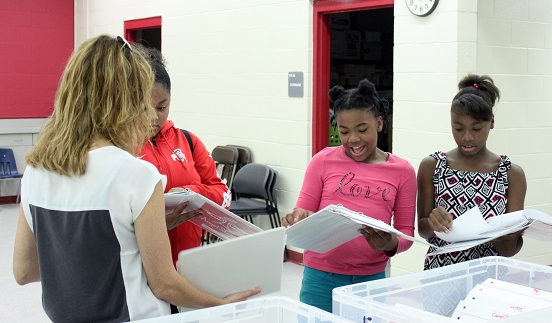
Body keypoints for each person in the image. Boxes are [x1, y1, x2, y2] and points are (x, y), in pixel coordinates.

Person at [13, 35, 260, 322]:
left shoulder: (36, 171)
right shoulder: (135, 174)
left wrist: (125, 239)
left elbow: (24, 270)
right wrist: (218, 303)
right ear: (125, 101)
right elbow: (165, 284)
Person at [282, 79, 417, 313]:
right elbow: (302, 211)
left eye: (362, 129)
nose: (353, 139)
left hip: (371, 279)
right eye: (344, 131)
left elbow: (406, 232)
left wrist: (391, 243)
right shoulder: (322, 160)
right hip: (321, 276)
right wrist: (298, 218)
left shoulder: (402, 172)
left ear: (379, 123)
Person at [417, 74, 527, 270]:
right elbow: (423, 230)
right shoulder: (433, 166)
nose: (467, 137)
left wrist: (507, 236)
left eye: (476, 129)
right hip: (440, 273)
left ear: (491, 122)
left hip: (488, 277)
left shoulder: (510, 174)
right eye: (458, 128)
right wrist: (433, 222)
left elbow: (510, 250)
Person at [139, 47, 231, 267]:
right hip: (142, 269)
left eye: (162, 107)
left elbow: (224, 195)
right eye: (143, 108)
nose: (154, 117)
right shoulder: (120, 147)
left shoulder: (188, 141)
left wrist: (193, 192)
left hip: (188, 263)